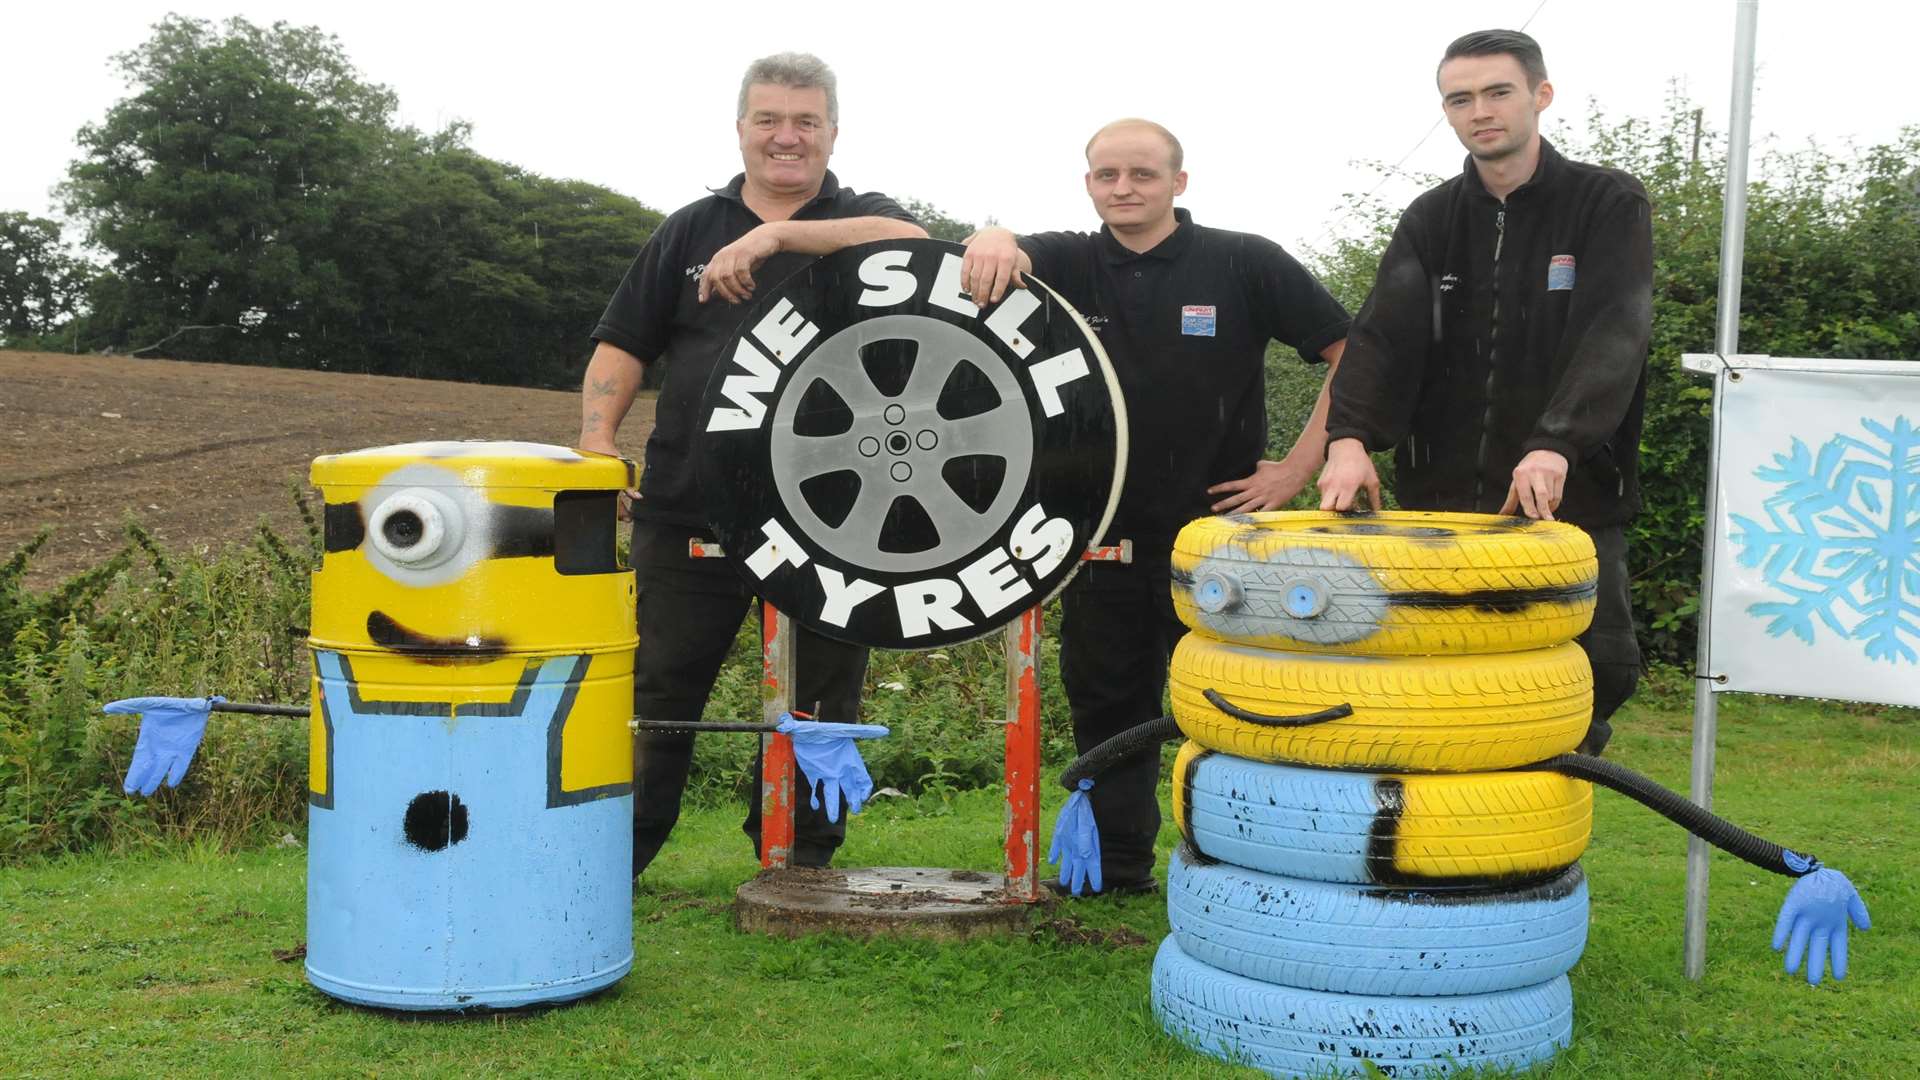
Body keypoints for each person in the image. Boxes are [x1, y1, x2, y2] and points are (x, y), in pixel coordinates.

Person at [961, 119, 1351, 895]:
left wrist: (1297, 470)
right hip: (1098, 536)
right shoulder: (1069, 260)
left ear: (1180, 181)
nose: (1124, 188)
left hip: (1222, 537)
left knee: (1240, 710)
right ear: (1088, 185)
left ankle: (1250, 864)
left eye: (1142, 174)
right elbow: (998, 249)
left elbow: (1354, 351)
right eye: (1107, 175)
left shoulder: (1244, 261)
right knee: (1109, 706)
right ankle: (1120, 870)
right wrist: (993, 232)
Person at [578, 52, 926, 878]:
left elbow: (915, 242)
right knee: (657, 693)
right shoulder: (690, 230)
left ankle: (800, 864)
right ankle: (609, 864)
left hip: (834, 521)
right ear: (741, 129)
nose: (786, 137)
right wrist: (596, 440)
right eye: (769, 119)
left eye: (806, 121)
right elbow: (623, 344)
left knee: (820, 703)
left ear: (833, 133)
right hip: (687, 505)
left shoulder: (864, 216)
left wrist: (776, 234)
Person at [1316, 29, 1653, 756]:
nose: (1480, 111)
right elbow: (1381, 337)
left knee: (1595, 670)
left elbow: (1614, 332)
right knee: (1444, 679)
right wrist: (1348, 440)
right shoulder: (1432, 219)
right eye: (1460, 99)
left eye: (1498, 92)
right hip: (1440, 507)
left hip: (1569, 500)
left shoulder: (1607, 202)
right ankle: (1447, 854)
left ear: (1541, 95)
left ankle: (1542, 846)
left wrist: (1555, 443)